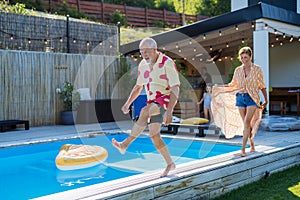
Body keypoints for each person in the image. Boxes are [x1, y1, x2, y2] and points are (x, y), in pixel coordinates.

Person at [111, 37, 180, 177]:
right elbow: (138, 87)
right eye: (142, 52)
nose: (144, 55)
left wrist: (169, 111)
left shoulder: (167, 63)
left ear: (155, 50)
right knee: (154, 136)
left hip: (166, 97)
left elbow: (176, 87)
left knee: (144, 111)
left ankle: (125, 144)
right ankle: (170, 163)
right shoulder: (143, 65)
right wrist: (127, 103)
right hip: (153, 100)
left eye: (147, 51)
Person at [221, 46, 268, 156]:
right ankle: (252, 144)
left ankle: (242, 150)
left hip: (252, 98)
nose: (244, 60)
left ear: (251, 57)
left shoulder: (257, 69)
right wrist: (220, 88)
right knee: (246, 125)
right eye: (242, 58)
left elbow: (262, 85)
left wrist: (266, 100)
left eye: (246, 57)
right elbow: (233, 84)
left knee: (247, 122)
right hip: (240, 98)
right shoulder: (238, 70)